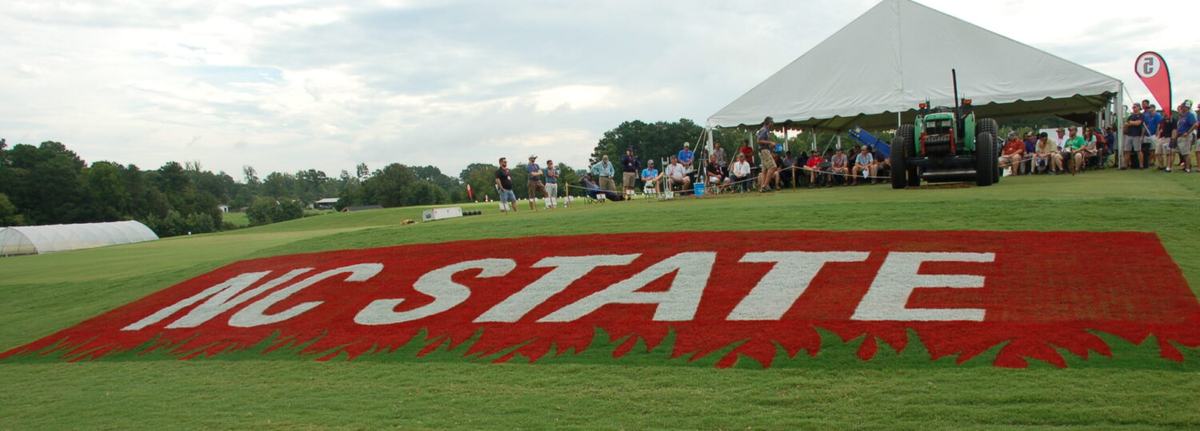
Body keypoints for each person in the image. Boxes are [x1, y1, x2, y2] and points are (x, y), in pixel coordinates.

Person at [1172, 100, 1196, 173]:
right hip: (1180, 135)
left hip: (1186, 136)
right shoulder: (1183, 115)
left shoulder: (1190, 115)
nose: (1182, 107)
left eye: (1183, 106)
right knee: (1183, 152)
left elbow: (1194, 124)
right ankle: (1186, 166)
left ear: (1187, 107)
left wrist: (1188, 132)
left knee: (1186, 153)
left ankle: (1188, 168)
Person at [756, 117, 779, 191]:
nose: (773, 123)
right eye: (772, 122)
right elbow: (758, 140)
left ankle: (763, 187)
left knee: (765, 170)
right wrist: (770, 142)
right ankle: (765, 186)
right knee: (773, 167)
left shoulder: (765, 130)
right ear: (769, 123)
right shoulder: (764, 130)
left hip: (764, 150)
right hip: (764, 151)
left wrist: (770, 146)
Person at [1123, 104, 1145, 169]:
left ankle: (1141, 165)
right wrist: (1131, 123)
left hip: (1137, 135)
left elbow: (1138, 123)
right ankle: (1125, 165)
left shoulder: (1141, 115)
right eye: (1133, 107)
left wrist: (1130, 123)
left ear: (1138, 107)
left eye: (1135, 107)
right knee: (1127, 151)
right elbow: (1126, 124)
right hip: (1129, 135)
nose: (1133, 108)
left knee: (1138, 150)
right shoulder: (1131, 116)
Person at [1143, 104, 1164, 169]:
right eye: (1148, 108)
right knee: (1149, 149)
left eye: (1150, 108)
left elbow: (1159, 125)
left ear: (1154, 108)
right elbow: (1145, 124)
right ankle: (1149, 161)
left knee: (1154, 149)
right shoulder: (1147, 116)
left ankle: (1153, 161)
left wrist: (1157, 133)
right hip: (1147, 134)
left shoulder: (1157, 115)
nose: (1149, 109)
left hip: (1153, 134)